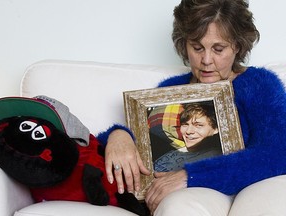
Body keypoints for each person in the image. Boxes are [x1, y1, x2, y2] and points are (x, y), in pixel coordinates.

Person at [97, 0, 286, 215]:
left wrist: (190, 175)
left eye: (218, 49)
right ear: (184, 44)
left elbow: (278, 153)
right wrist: (119, 135)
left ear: (238, 46)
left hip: (247, 191)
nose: (206, 60)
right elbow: (137, 148)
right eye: (197, 48)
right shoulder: (172, 89)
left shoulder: (260, 83)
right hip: (191, 198)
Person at [154, 102, 222, 172]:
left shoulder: (215, 159)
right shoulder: (177, 150)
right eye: (185, 125)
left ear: (216, 129)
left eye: (198, 125)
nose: (189, 131)